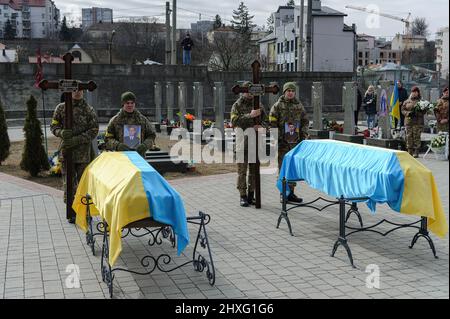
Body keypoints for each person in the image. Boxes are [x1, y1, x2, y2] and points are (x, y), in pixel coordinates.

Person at [50, 89, 99, 223]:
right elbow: (53, 125)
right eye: (75, 90)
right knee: (69, 183)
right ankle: (71, 211)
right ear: (70, 92)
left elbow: (94, 129)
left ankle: (85, 210)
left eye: (80, 90)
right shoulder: (61, 108)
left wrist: (78, 139)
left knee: (84, 183)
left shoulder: (89, 109)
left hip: (84, 153)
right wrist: (61, 132)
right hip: (67, 152)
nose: (77, 92)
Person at [269, 82, 309, 203]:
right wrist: (277, 137)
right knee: (283, 168)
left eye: (292, 91)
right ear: (284, 92)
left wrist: (303, 136)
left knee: (292, 168)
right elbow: (272, 121)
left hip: (295, 143)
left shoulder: (299, 106)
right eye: (288, 91)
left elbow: (305, 121)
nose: (290, 93)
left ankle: (291, 193)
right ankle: (283, 193)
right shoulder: (277, 106)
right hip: (283, 143)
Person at [230, 81, 267, 207]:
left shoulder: (258, 105)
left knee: (254, 171)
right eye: (247, 91)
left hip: (255, 143)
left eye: (251, 91)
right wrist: (249, 115)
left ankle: (251, 195)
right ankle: (243, 196)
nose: (249, 94)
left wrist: (261, 126)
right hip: (242, 143)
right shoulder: (237, 105)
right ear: (243, 91)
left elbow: (266, 121)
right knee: (242, 172)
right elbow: (234, 121)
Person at [105, 91, 157, 158]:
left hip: (139, 157)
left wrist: (144, 145)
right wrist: (118, 145)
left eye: (132, 103)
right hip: (120, 158)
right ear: (123, 104)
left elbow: (151, 136)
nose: (130, 105)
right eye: (127, 103)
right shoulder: (115, 121)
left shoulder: (142, 120)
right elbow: (108, 138)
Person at [401, 86, 425, 158]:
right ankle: (409, 151)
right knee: (408, 137)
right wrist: (408, 113)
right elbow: (402, 110)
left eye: (416, 92)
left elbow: (424, 111)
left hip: (417, 122)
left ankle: (416, 152)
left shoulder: (421, 102)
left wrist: (417, 113)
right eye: (413, 92)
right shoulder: (407, 101)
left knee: (416, 137)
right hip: (408, 122)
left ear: (418, 93)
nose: (414, 93)